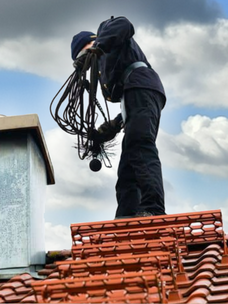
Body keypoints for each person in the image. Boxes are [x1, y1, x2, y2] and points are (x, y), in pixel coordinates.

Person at [71, 16, 166, 219]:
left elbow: (124, 23)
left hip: (141, 87)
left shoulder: (106, 31)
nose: (88, 63)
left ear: (89, 44)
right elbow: (132, 106)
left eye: (83, 55)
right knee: (127, 167)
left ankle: (153, 208)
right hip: (136, 94)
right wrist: (112, 127)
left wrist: (98, 47)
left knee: (140, 146)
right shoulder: (111, 67)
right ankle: (126, 217)